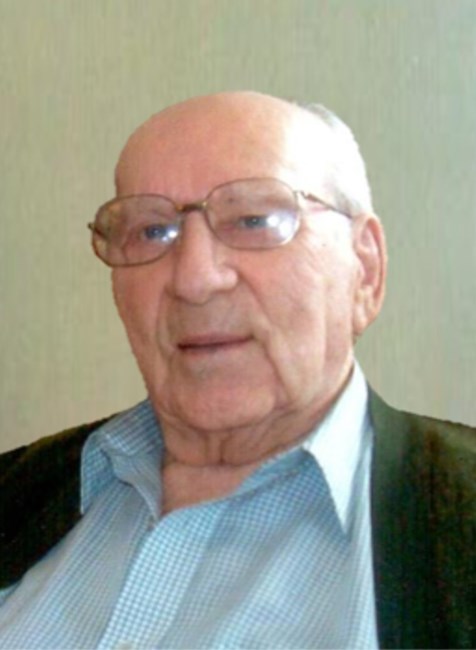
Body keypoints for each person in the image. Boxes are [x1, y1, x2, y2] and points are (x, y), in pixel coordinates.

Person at [0, 91, 474, 650]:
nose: (194, 280)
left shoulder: (457, 524)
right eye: (150, 231)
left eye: (255, 220)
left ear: (364, 269)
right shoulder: (18, 492)